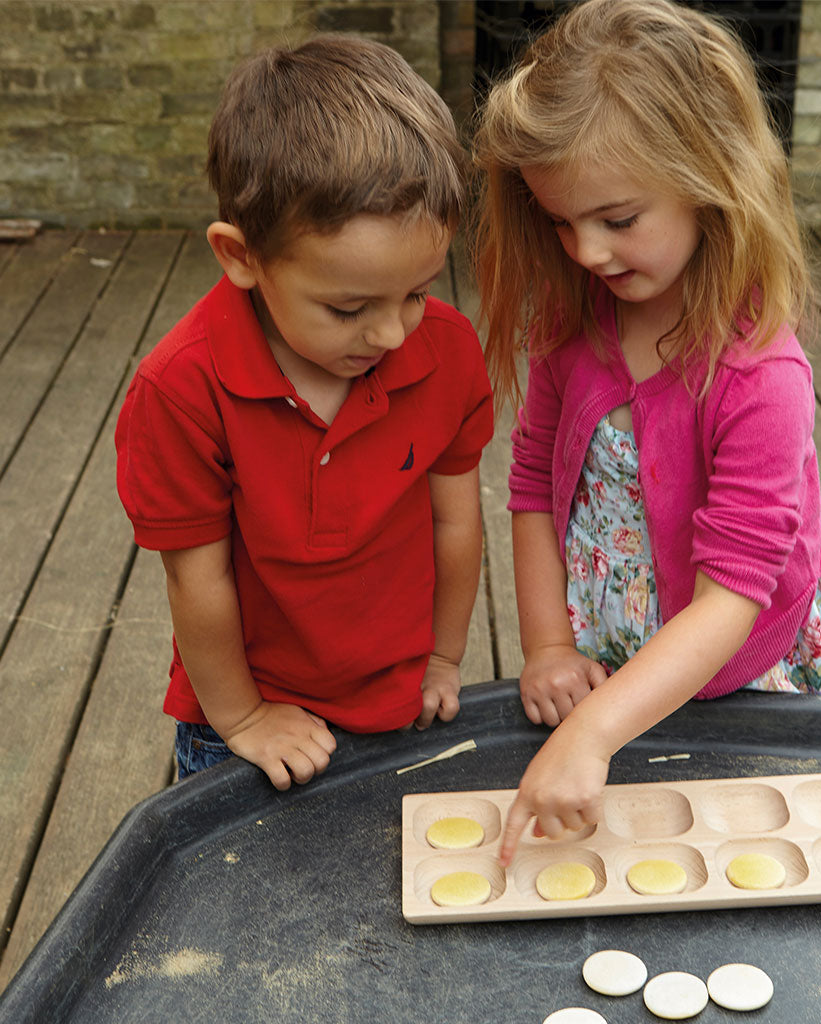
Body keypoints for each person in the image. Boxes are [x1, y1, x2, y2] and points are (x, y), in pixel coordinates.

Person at [472, 0, 821, 863]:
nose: (584, 253)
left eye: (616, 220)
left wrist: (592, 733)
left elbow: (734, 589)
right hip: (609, 651)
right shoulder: (573, 326)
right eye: (562, 222)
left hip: (740, 665)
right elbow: (534, 484)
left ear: (709, 177)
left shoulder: (761, 377)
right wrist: (545, 644)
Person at [115, 34, 493, 789]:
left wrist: (446, 655)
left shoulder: (445, 352)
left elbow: (457, 520)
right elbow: (200, 581)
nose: (391, 333)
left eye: (418, 291)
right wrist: (245, 719)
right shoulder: (180, 392)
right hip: (248, 723)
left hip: (403, 697)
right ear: (242, 257)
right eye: (349, 306)